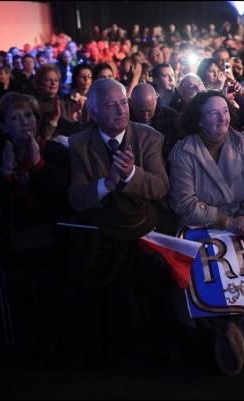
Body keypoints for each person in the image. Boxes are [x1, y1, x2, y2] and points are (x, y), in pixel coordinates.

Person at [167, 90, 244, 376]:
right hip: (202, 225)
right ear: (198, 120)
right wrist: (227, 222)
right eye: (213, 113)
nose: (222, 118)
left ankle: (242, 332)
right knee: (210, 270)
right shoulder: (183, 152)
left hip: (241, 220)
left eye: (225, 111)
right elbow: (184, 205)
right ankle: (230, 332)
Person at [67, 78, 169, 368]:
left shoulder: (148, 137)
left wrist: (130, 175)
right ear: (94, 113)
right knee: (93, 258)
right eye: (111, 106)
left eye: (123, 103)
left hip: (141, 219)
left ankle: (154, 338)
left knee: (150, 266)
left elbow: (161, 187)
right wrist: (108, 182)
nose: (121, 111)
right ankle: (102, 338)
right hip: (101, 224)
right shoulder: (78, 144)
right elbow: (76, 196)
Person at [0, 93, 71, 366]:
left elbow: (63, 196)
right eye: (16, 118)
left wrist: (39, 165)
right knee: (18, 284)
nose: (25, 123)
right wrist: (6, 173)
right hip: (15, 236)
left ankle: (54, 338)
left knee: (48, 281)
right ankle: (30, 338)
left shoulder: (55, 151)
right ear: (3, 126)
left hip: (51, 233)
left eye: (29, 116)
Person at [129, 84, 184, 170]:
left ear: (156, 100)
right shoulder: (124, 119)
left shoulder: (170, 116)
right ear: (130, 103)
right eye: (140, 112)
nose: (145, 116)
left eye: (150, 111)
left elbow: (181, 149)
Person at [33, 64, 83, 144]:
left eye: (56, 80)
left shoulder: (68, 105)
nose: (53, 83)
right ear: (39, 83)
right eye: (48, 80)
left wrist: (73, 114)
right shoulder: (35, 107)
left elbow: (74, 136)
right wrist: (55, 116)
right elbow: (45, 138)